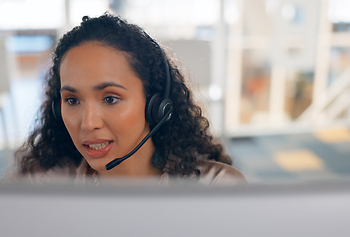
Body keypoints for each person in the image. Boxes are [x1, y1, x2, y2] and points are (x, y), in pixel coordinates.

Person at [14, 13, 246, 186]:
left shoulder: (217, 187)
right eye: (72, 101)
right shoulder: (43, 185)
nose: (88, 123)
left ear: (155, 105)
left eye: (110, 99)